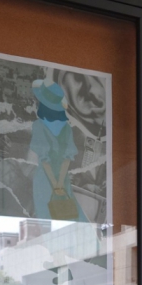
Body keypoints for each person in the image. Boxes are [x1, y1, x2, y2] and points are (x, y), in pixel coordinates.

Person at [28, 80, 84, 221]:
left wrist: (55, 185)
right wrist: (60, 183)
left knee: (46, 216)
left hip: (44, 179)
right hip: (63, 179)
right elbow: (67, 159)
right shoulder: (67, 128)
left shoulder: (38, 125)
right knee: (65, 215)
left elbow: (44, 159)